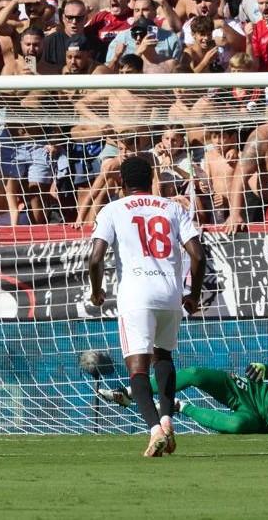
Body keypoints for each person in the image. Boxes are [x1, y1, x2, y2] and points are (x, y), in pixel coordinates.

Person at [88, 155, 205, 457]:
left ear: (121, 183)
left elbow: (95, 258)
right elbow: (198, 255)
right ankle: (167, 420)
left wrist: (97, 291)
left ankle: (154, 431)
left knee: (137, 368)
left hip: (136, 295)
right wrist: (193, 294)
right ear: (152, 179)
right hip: (170, 293)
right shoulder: (172, 207)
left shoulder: (112, 209)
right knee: (164, 357)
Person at [98, 334, 268, 435]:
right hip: (252, 391)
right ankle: (129, 392)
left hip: (265, 421)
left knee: (237, 425)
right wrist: (262, 367)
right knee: (196, 373)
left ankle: (179, 407)